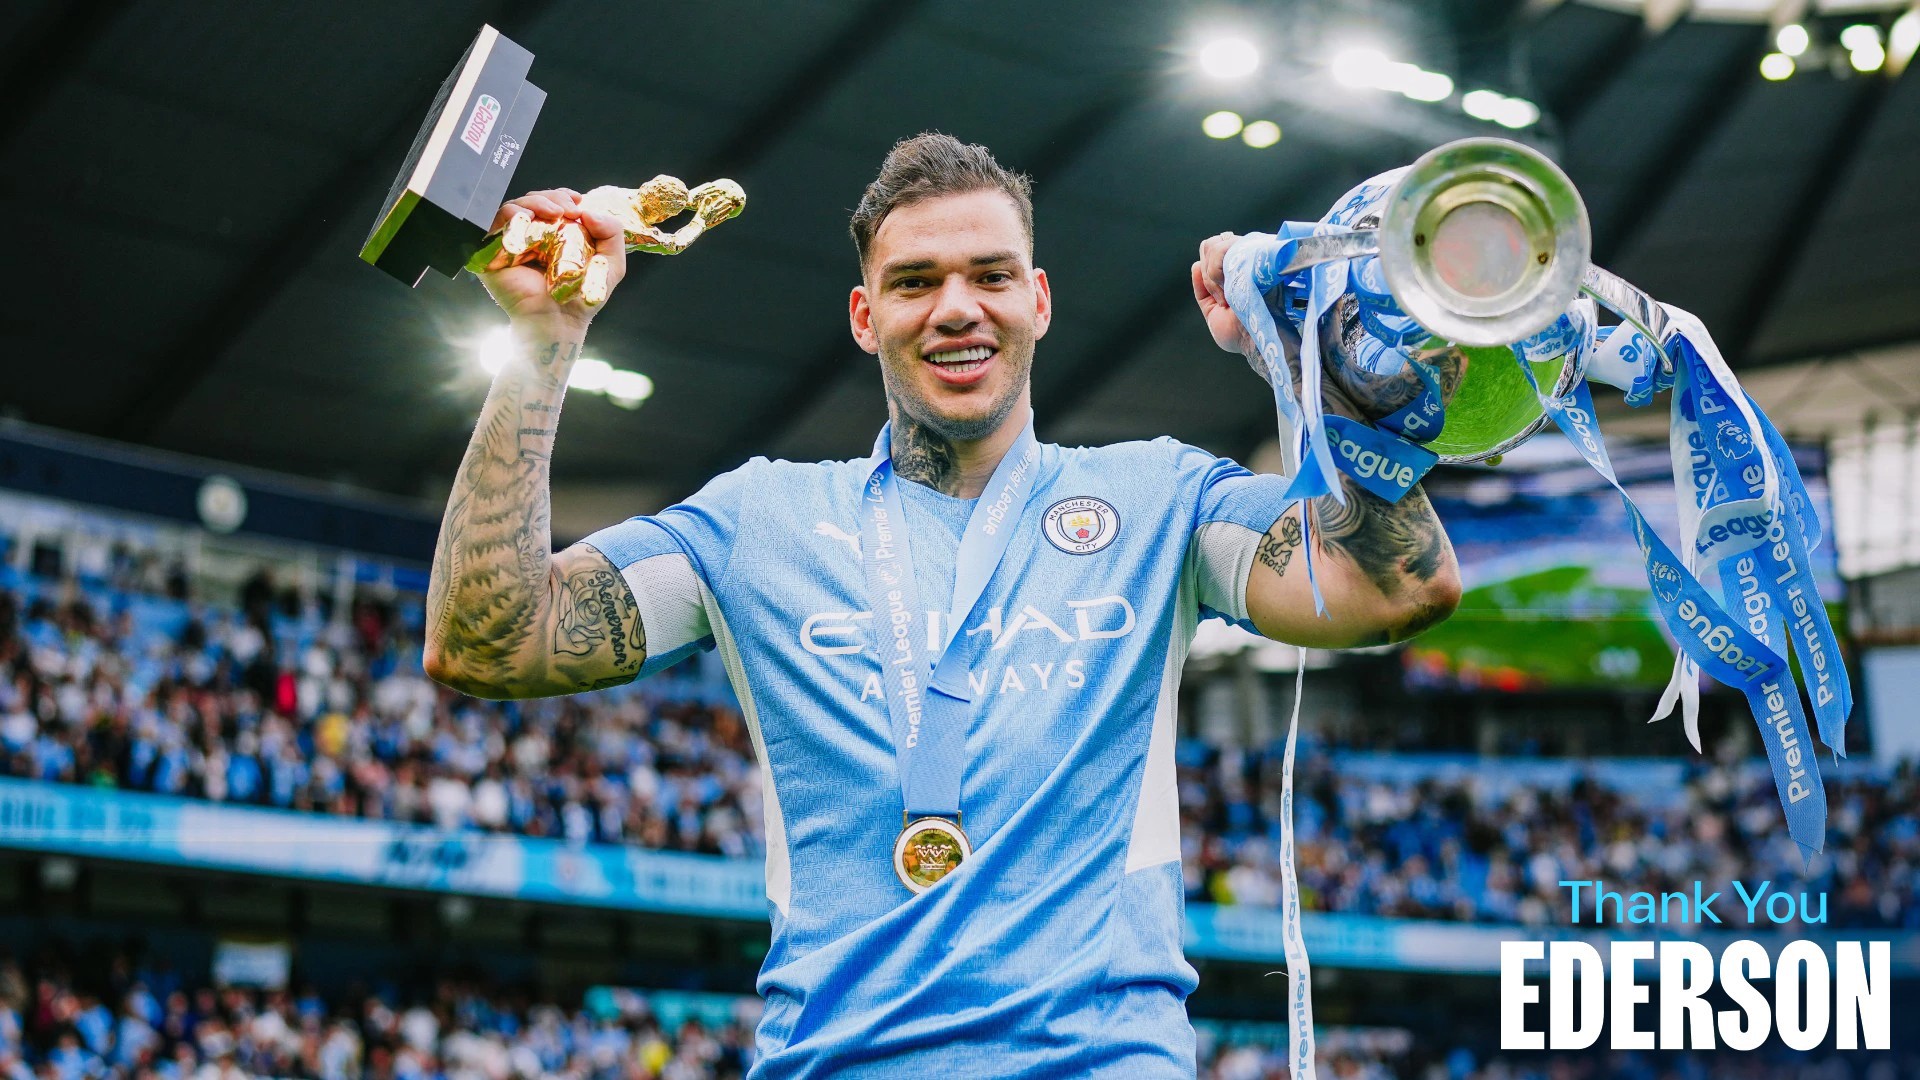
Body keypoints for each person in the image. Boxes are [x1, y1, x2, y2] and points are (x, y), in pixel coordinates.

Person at [424, 133, 1462, 1077]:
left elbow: (1394, 587)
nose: (957, 308)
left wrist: (1305, 360)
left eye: (990, 276)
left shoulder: (1161, 500)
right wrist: (545, 341)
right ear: (864, 317)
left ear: (1038, 301)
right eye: (915, 282)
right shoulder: (758, 523)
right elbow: (490, 643)